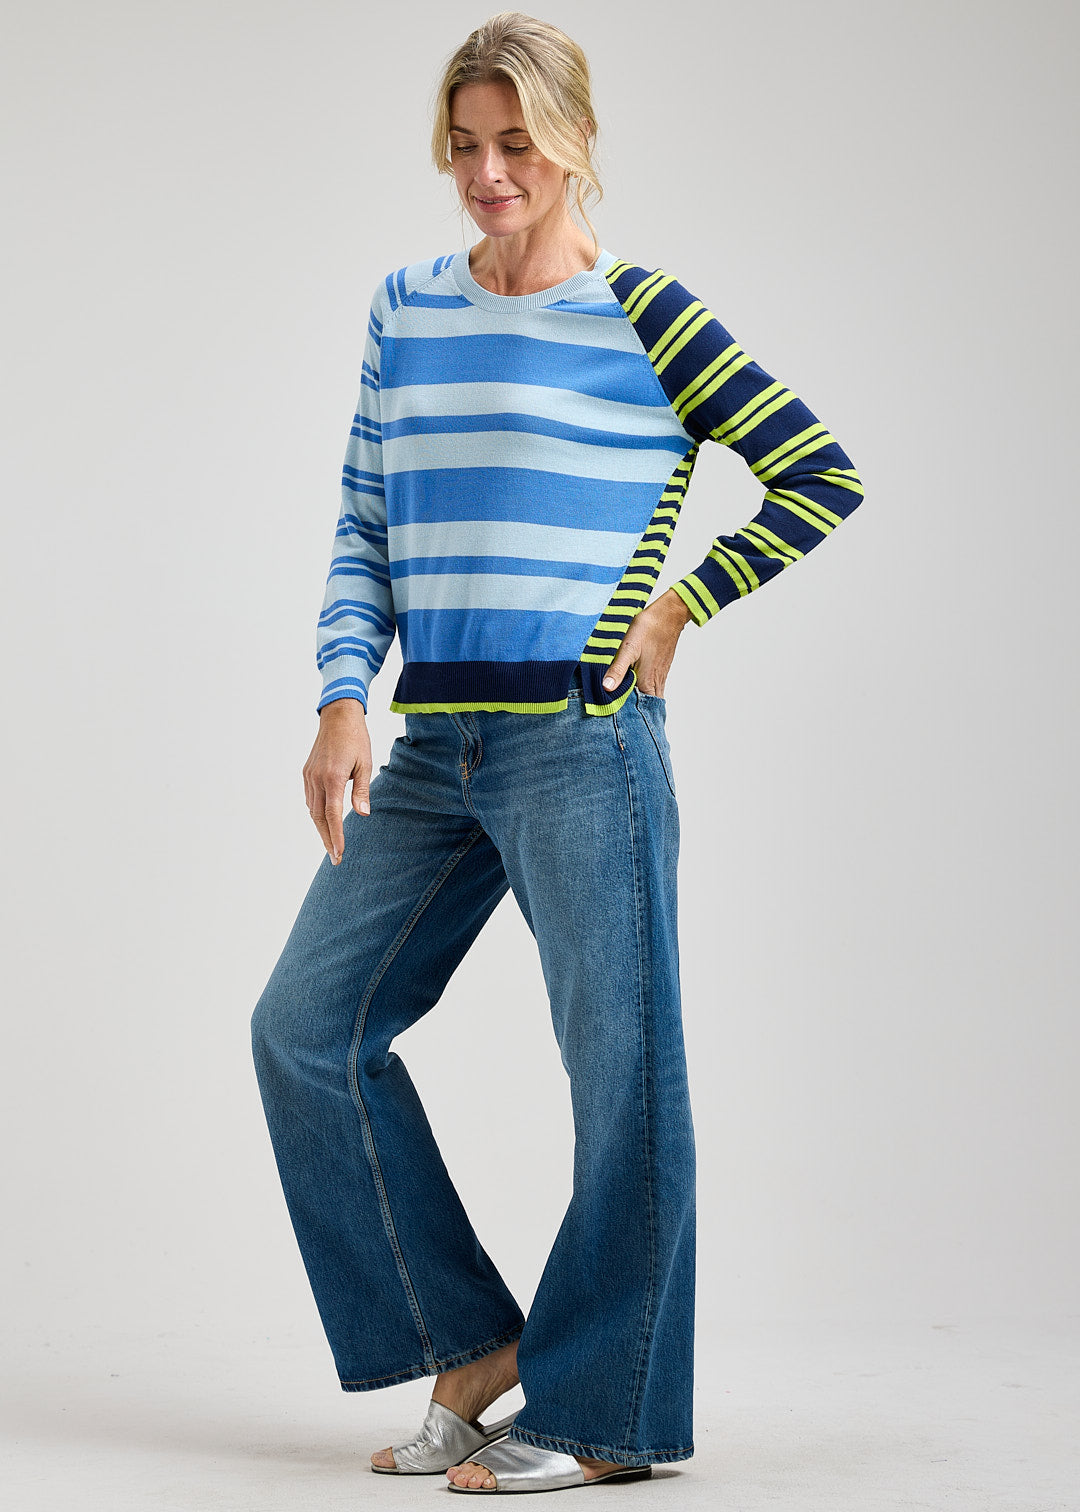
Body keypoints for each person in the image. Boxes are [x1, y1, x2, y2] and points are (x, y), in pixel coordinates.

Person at [250, 9, 865, 1496]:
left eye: (517, 143)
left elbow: (818, 472)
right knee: (305, 1033)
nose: (488, 173)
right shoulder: (408, 307)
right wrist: (343, 696)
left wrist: (686, 600)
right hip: (431, 745)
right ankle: (471, 1351)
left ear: (576, 143)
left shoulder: (646, 313)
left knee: (622, 1077)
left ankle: (605, 1415)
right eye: (465, 146)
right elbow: (365, 522)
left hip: (584, 745)